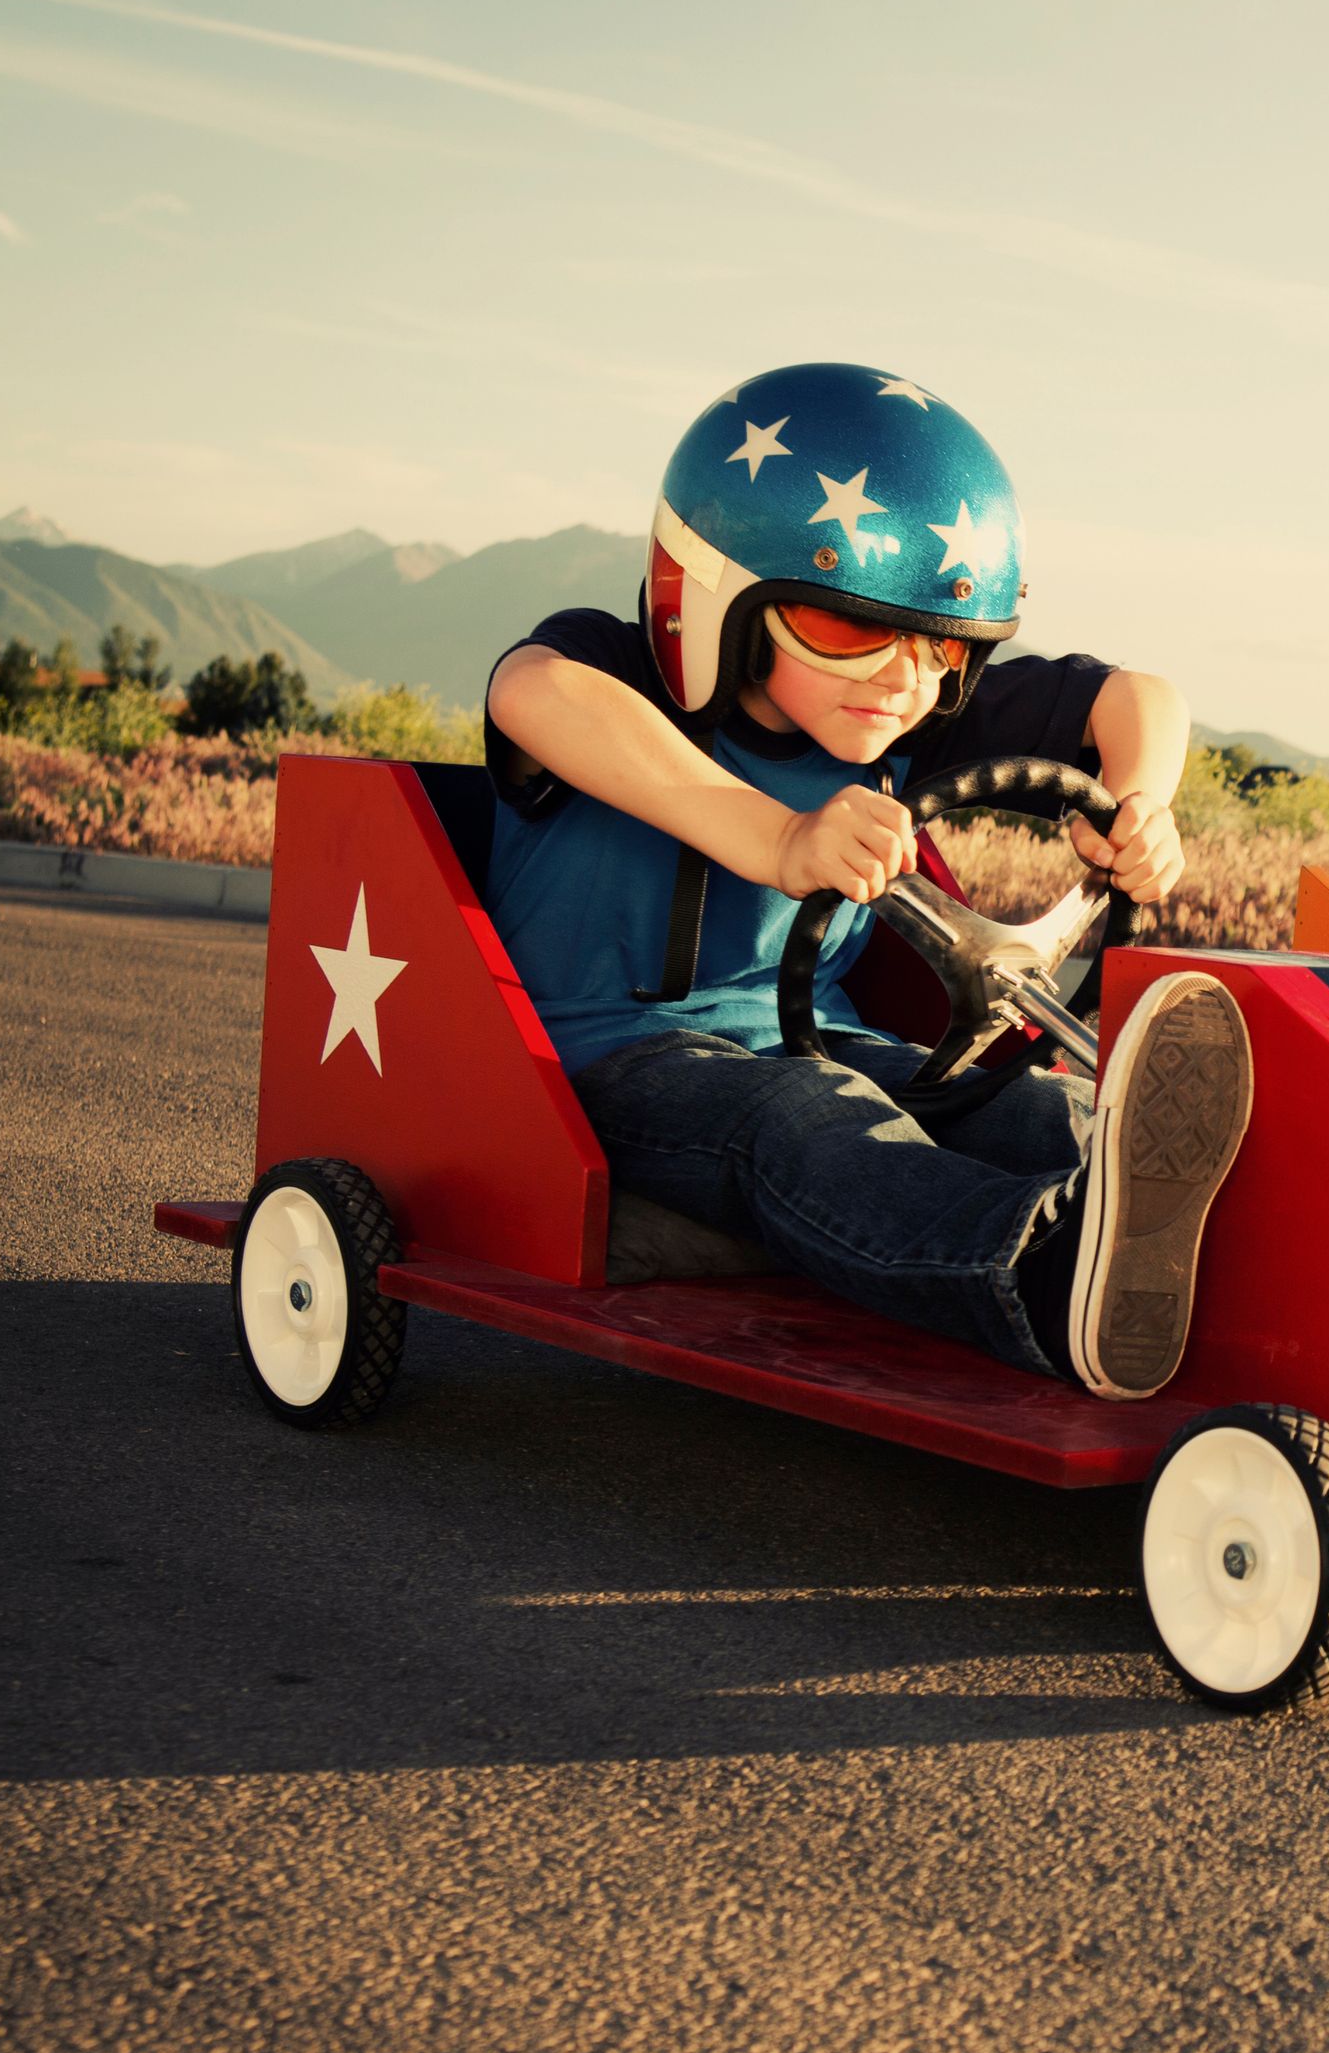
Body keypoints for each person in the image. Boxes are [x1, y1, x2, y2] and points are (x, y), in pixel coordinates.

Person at [478, 360, 1248, 1400]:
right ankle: (1043, 1273)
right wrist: (779, 838)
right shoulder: (609, 669)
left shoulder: (898, 717)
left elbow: (1137, 695)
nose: (904, 677)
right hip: (605, 1059)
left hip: (813, 1033)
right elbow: (532, 689)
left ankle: (1230, 1262)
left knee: (1026, 1110)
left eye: (940, 645)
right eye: (849, 629)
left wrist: (1140, 802)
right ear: (723, 603)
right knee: (806, 1117)